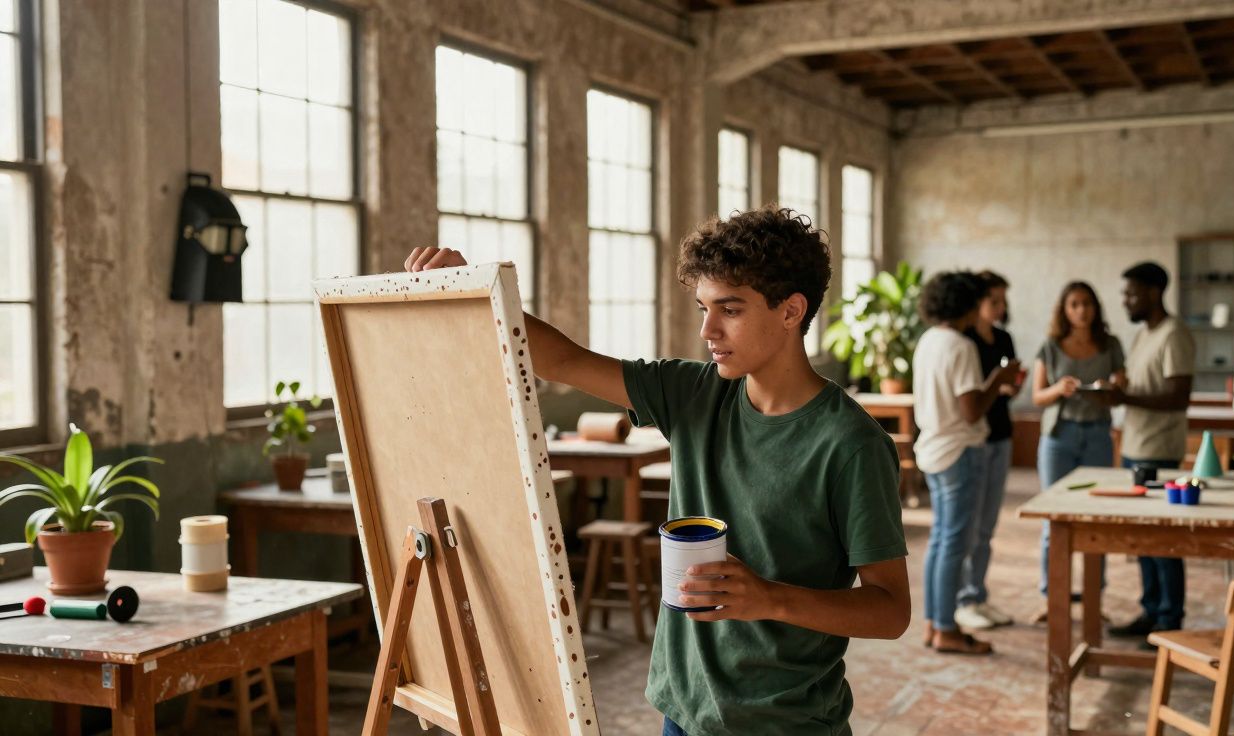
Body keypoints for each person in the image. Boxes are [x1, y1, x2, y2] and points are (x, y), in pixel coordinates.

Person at [406, 205, 911, 736]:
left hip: (786, 723)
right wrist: (471, 289)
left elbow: (890, 610)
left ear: (791, 311)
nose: (707, 329)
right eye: (703, 307)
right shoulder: (691, 393)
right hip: (682, 711)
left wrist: (769, 598)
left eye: (730, 310)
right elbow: (564, 361)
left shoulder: (851, 444)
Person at [913, 271, 1020, 655]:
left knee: (942, 540)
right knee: (955, 541)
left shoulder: (929, 340)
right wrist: (999, 378)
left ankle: (933, 622)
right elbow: (972, 411)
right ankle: (946, 628)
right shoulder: (961, 346)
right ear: (968, 305)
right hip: (960, 450)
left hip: (934, 449)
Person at [1098, 262, 1195, 642]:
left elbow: (1179, 396)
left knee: (1163, 542)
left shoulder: (1175, 334)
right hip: (1135, 446)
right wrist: (1120, 388)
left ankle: (1170, 621)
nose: (1125, 301)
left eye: (1131, 293)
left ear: (1154, 292)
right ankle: (1151, 610)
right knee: (1143, 541)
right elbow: (1140, 388)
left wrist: (1125, 396)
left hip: (1159, 451)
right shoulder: (1143, 335)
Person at [1032, 282, 1125, 606]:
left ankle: (1093, 600)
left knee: (1094, 518)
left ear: (1095, 307)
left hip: (1099, 433)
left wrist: (1108, 387)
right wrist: (1058, 389)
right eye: (1074, 304)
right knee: (1053, 518)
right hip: (1059, 436)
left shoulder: (1110, 344)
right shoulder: (1051, 345)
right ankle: (1051, 600)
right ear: (1065, 309)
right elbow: (1037, 396)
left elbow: (1121, 389)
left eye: (1087, 303)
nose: (1081, 310)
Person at [954, 270, 1018, 630]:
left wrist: (1008, 387)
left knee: (988, 524)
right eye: (993, 300)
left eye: (1002, 300)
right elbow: (971, 396)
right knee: (970, 525)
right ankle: (963, 599)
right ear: (977, 302)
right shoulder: (962, 341)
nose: (999, 307)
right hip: (973, 438)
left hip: (1001, 433)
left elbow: (1010, 384)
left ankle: (978, 594)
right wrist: (997, 385)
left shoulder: (1004, 338)